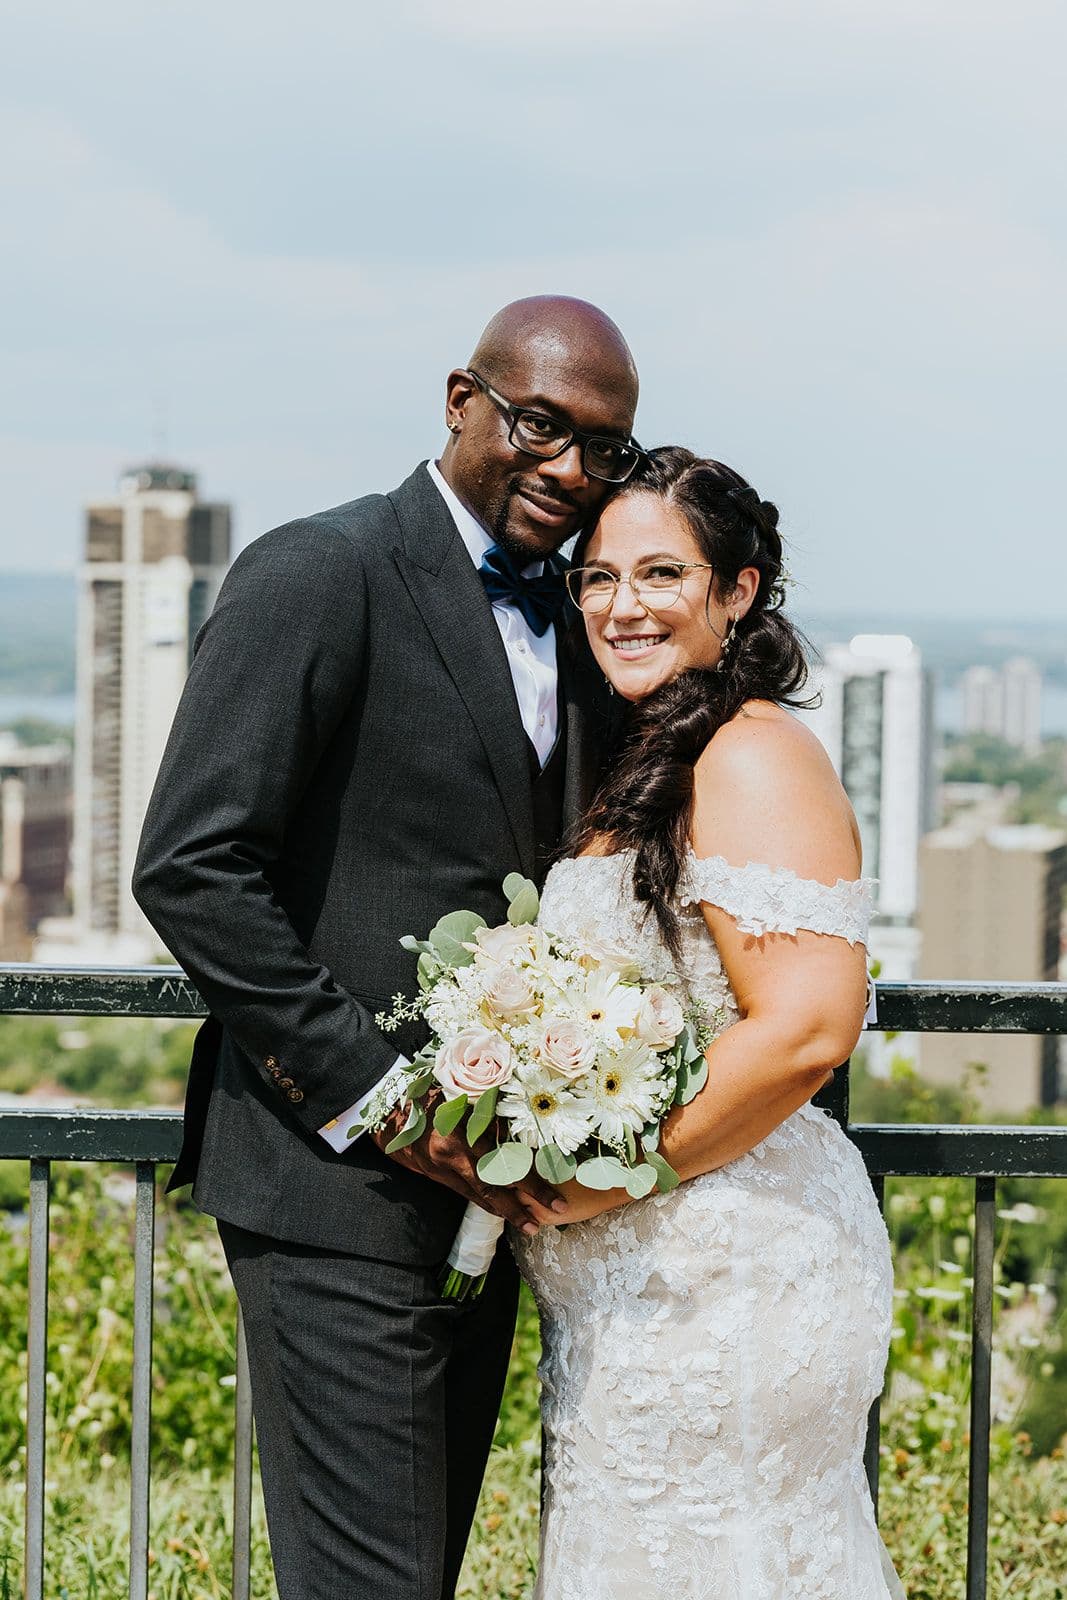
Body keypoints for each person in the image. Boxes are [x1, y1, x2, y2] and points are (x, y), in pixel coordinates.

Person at [131, 296, 641, 1599]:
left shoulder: (580, 615)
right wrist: (383, 1101)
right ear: (461, 399)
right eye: (542, 425)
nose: (570, 471)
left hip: (488, 1205)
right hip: (332, 1190)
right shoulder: (319, 572)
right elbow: (191, 865)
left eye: (604, 451)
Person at [513, 447, 905, 1599]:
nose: (620, 604)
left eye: (659, 573)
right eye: (595, 578)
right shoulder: (662, 749)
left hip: (724, 1285)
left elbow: (806, 1029)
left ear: (736, 591)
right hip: (640, 1299)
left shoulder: (750, 752)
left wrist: (603, 1179)